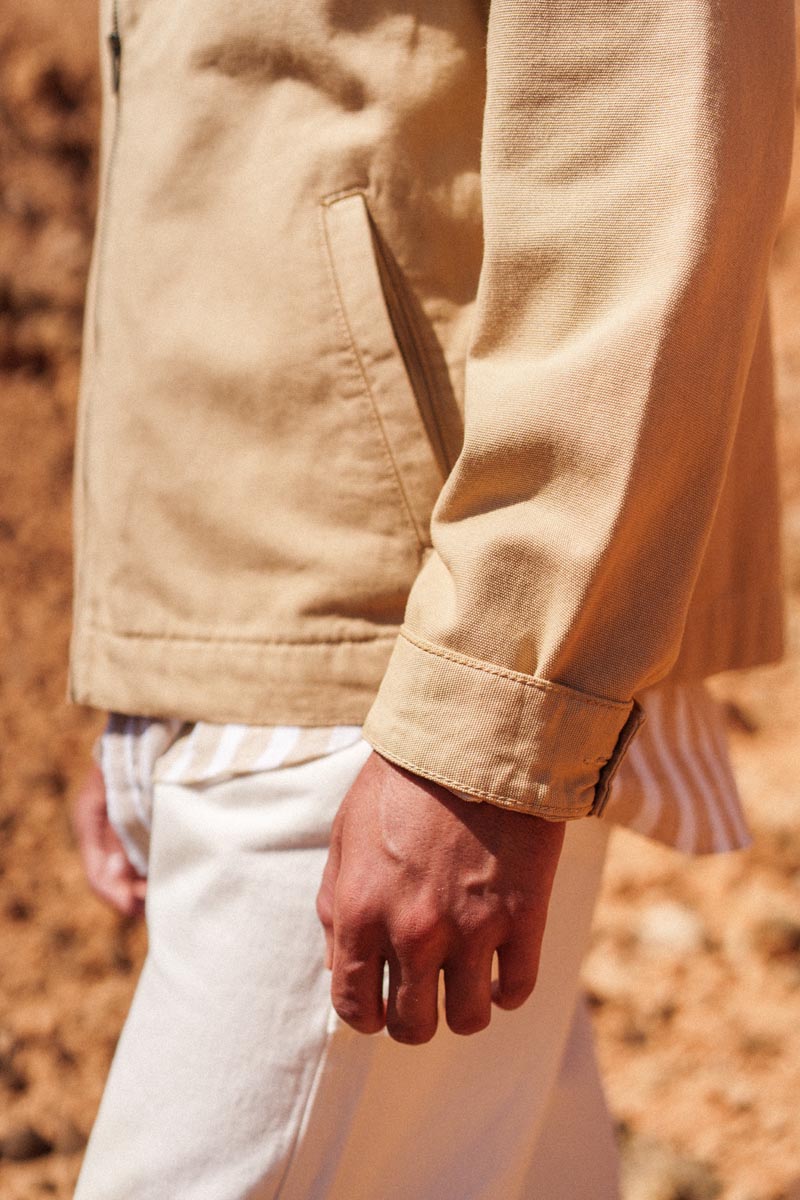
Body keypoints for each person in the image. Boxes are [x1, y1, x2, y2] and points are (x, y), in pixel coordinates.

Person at [69, 1, 795, 1196]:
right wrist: (156, 665)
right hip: (281, 626)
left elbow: (646, 122)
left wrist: (487, 710)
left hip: (402, 663)